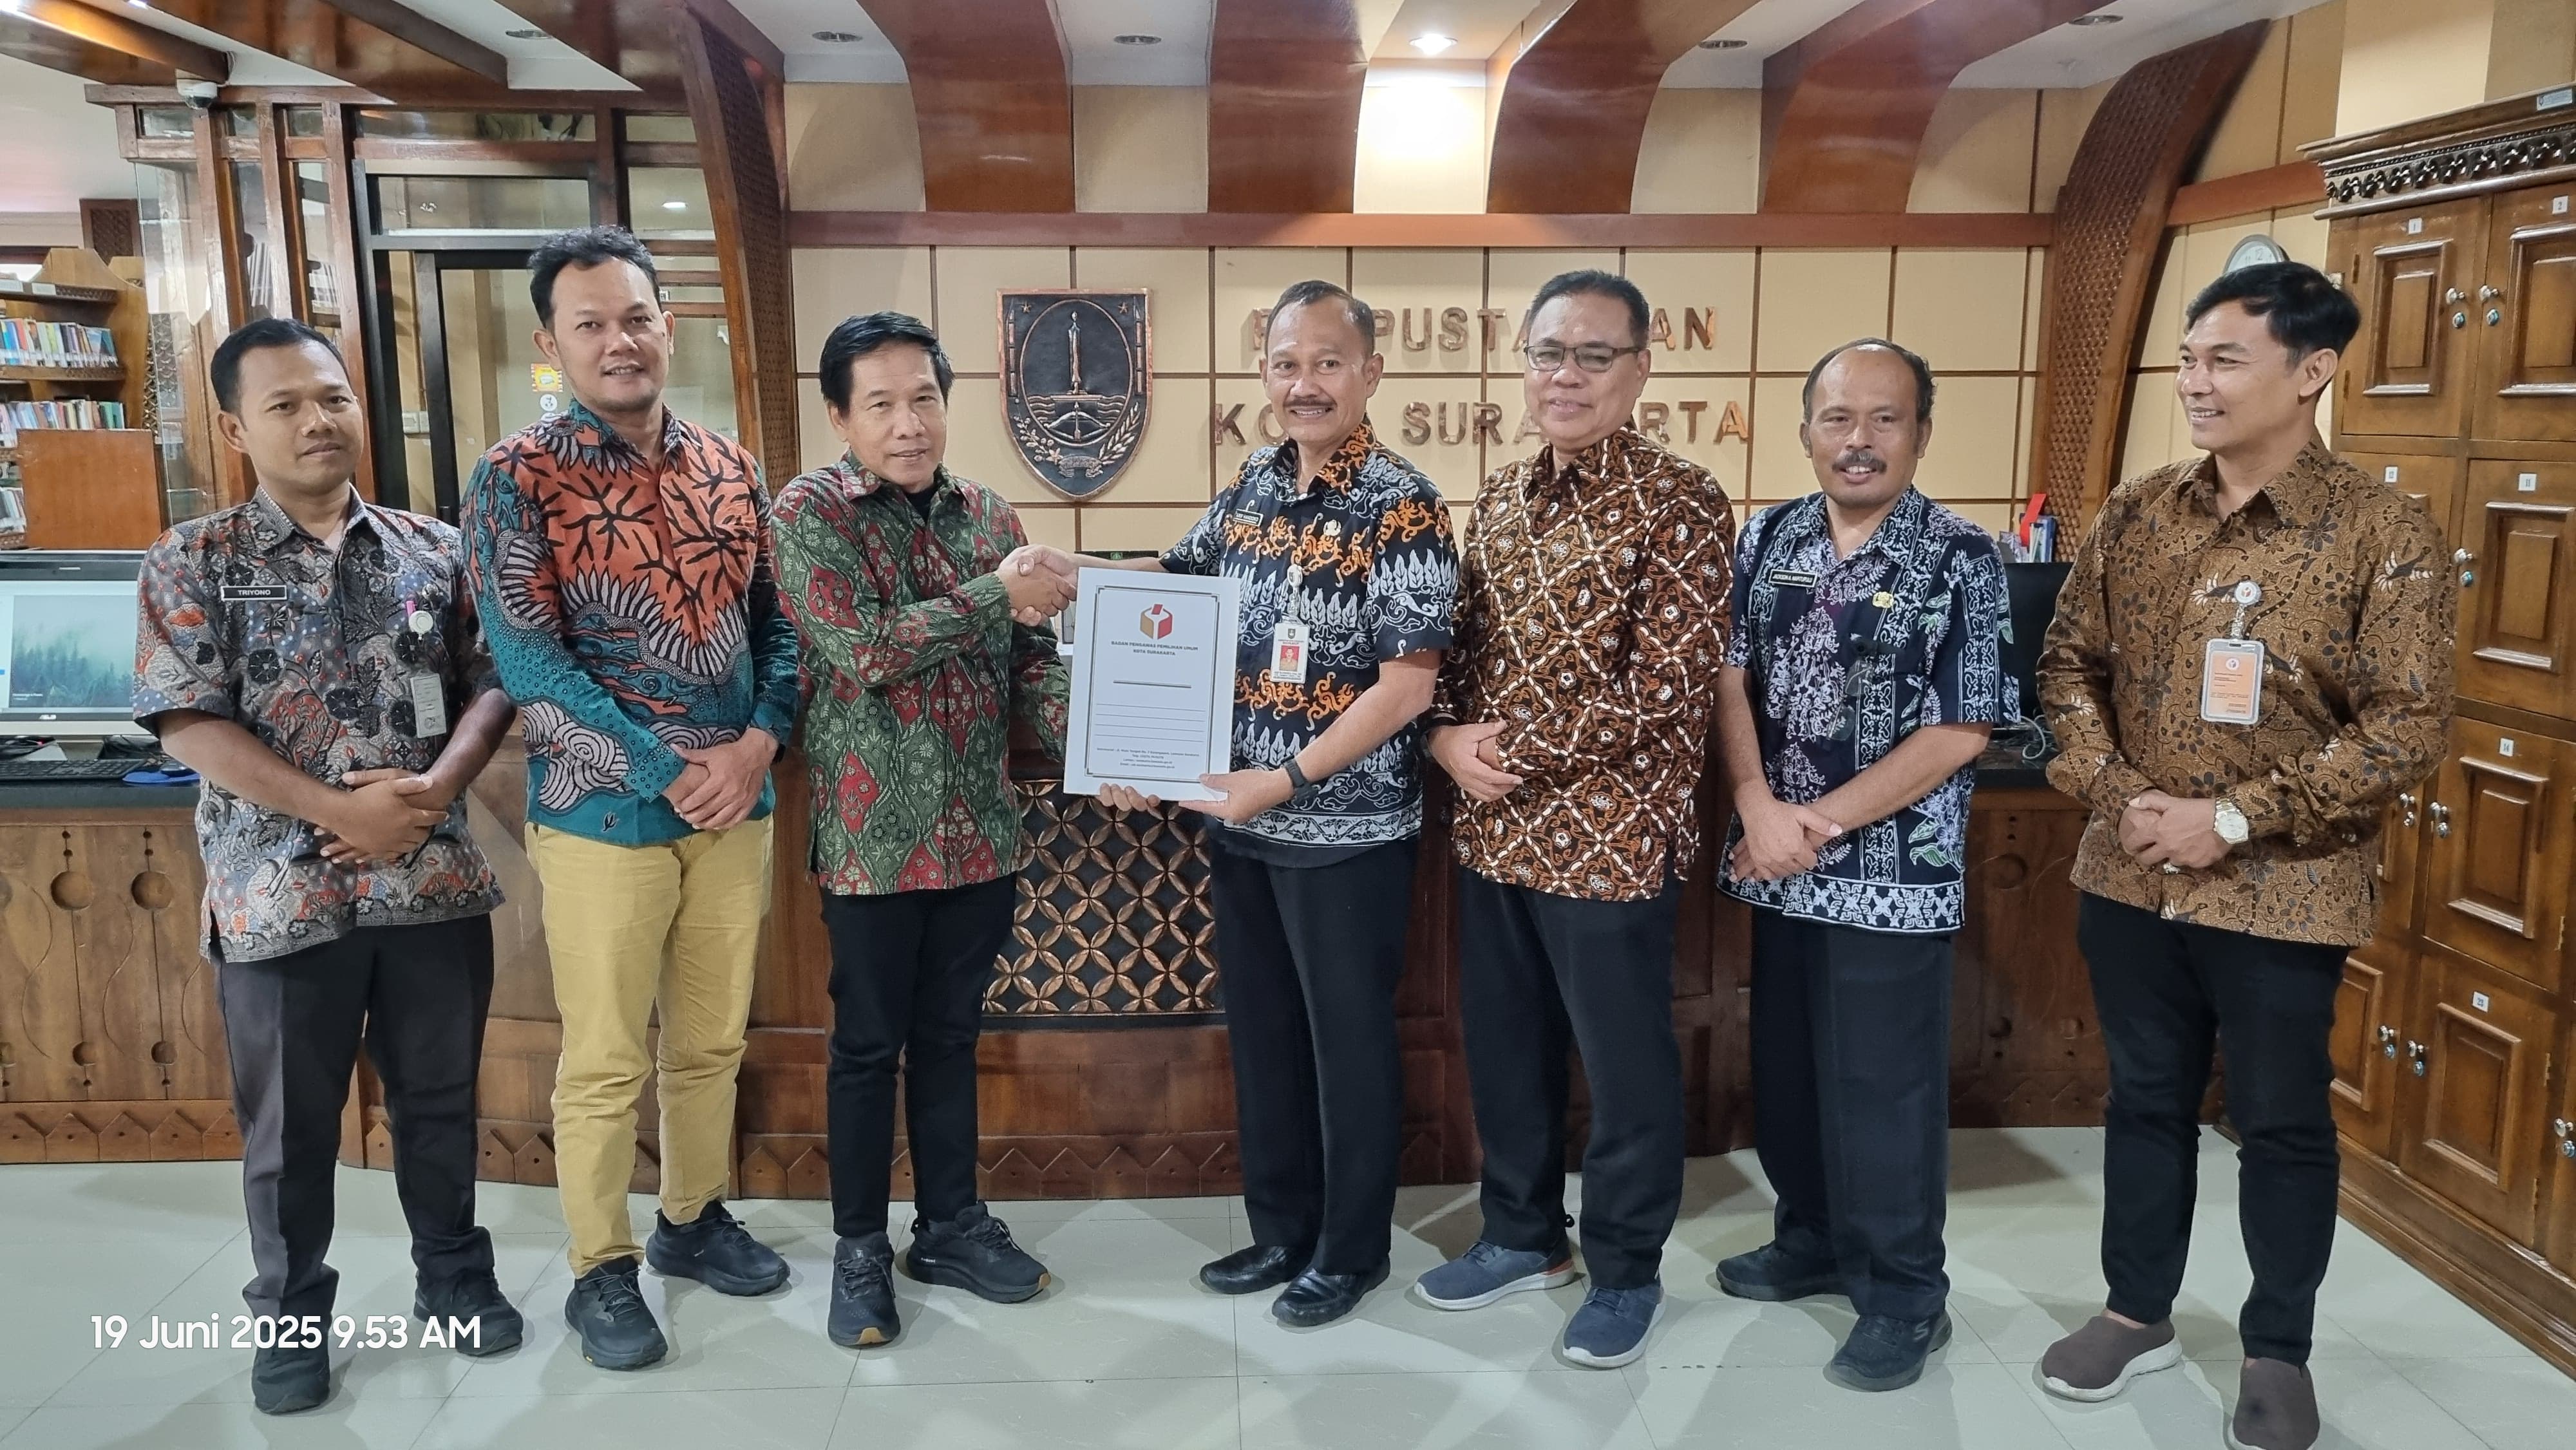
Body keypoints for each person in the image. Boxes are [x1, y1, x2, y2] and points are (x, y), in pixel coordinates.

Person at [2035, 261, 2454, 1450]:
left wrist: (2232, 818)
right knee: (2144, 1103)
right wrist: (2125, 797)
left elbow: (2409, 723)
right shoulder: (2140, 510)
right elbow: (2069, 670)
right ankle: (2134, 1310)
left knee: (2279, 1121)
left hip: (2287, 884)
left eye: (2226, 359)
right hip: (2130, 869)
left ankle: (2279, 1347)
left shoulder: (2383, 529)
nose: (2195, 383)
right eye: (2188, 358)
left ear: (2312, 371)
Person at [1033, 279, 1458, 1328]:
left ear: (1369, 371)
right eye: (1284, 363)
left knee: (1346, 1044)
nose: (1302, 384)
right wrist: (1067, 570)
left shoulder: (1401, 504)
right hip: (1240, 822)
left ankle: (1349, 1251)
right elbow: (1168, 587)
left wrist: (1290, 777)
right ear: (1262, 375)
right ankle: (1281, 1232)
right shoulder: (1254, 485)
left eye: (1325, 362)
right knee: (1265, 1034)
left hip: (1345, 831)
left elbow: (1409, 684)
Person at [134, 318, 521, 1415]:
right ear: (234, 425)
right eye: (286, 405)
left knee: (440, 1104)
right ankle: (293, 1318)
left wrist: (439, 788)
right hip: (279, 895)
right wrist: (339, 808)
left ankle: (453, 1279)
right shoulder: (195, 558)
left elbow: (492, 680)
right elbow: (185, 721)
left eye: (332, 398)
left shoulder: (432, 549)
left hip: (430, 883)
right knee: (292, 1130)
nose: (317, 421)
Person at [462, 225, 802, 1372]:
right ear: (553, 341)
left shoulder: (730, 463)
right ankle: (599, 1269)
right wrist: (671, 769)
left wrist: (755, 747)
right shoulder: (514, 477)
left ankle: (692, 1221)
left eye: (638, 317)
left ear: (671, 323)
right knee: (606, 1057)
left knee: (709, 1043)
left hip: (735, 811)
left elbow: (779, 630)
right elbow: (531, 667)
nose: (621, 342)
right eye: (592, 323)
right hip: (604, 816)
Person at [1414, 269, 1734, 1369]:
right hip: (1496, 828)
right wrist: (1446, 739)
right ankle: (1521, 1236)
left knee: (1625, 1062)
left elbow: (1668, 687)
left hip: (1610, 832)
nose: (1567, 374)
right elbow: (1454, 652)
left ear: (1640, 370)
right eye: (1550, 352)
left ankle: (1627, 1269)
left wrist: (1510, 750)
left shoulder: (1683, 502)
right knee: (1506, 1048)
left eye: (1594, 355)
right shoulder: (1499, 495)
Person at [770, 312, 1075, 1350]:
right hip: (873, 845)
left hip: (981, 836)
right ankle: (861, 1247)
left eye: (926, 399)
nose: (909, 424)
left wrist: (1106, 753)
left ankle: (949, 1224)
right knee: (866, 1049)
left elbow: (1031, 665)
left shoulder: (989, 511)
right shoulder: (809, 512)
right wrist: (997, 592)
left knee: (951, 1041)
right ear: (841, 415)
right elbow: (861, 651)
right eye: (883, 404)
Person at [1712, 339, 2010, 1393]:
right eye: (1839, 419)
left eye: (1886, 420)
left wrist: (1818, 823)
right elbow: (1730, 678)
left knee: (1882, 1087)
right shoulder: (1770, 537)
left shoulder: (1961, 555)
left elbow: (1965, 726)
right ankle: (1812, 1242)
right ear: (1806, 432)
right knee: (1790, 1069)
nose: (1860, 441)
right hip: (1776, 860)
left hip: (1892, 870)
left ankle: (1901, 1294)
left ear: (1922, 434)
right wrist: (1757, 805)